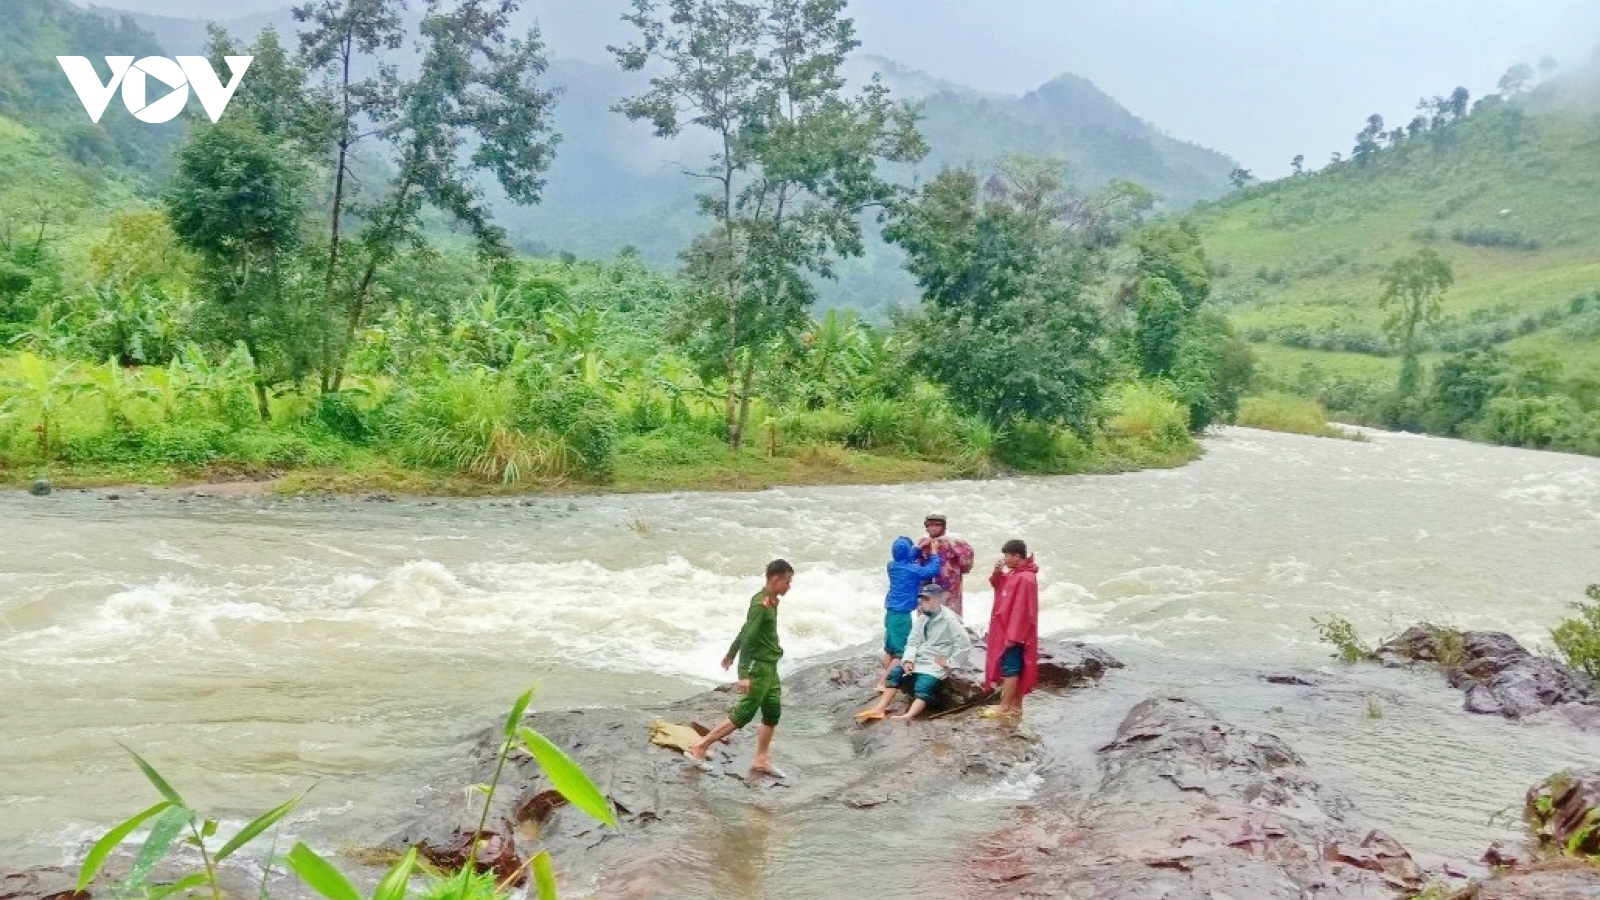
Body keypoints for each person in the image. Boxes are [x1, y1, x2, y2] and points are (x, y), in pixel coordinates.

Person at [686, 559, 794, 776]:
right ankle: (700, 746)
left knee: (773, 712)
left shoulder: (771, 602)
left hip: (770, 666)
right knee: (744, 713)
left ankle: (761, 759)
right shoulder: (760, 605)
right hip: (759, 666)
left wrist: (730, 652)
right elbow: (750, 636)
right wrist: (743, 673)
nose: (789, 586)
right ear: (775, 580)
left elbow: (746, 629)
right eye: (787, 582)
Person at [855, 583, 973, 722]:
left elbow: (964, 643)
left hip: (935, 661)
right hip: (920, 657)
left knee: (924, 685)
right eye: (921, 599)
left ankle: (908, 715)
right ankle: (879, 709)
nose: (922, 603)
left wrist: (950, 662)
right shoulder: (923, 618)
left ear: (937, 600)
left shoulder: (950, 620)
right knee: (896, 673)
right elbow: (912, 641)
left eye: (926, 599)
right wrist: (908, 659)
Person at [984, 539, 1039, 719]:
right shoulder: (1018, 574)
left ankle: (1005, 706)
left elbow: (1024, 610)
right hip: (1009, 630)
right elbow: (1000, 586)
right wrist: (997, 572)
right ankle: (1014, 706)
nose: (1004, 559)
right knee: (1013, 667)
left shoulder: (1025, 578)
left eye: (1006, 555)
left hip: (1015, 633)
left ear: (1016, 556)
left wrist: (1014, 635)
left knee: (1011, 668)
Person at [881, 536, 943, 687]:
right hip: (902, 615)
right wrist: (934, 552)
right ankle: (884, 683)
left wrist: (918, 547)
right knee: (902, 652)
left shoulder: (892, 565)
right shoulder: (914, 570)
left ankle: (886, 675)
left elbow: (906, 558)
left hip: (890, 612)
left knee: (890, 649)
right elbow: (932, 570)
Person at [917, 514, 974, 617]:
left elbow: (967, 562)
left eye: (937, 525)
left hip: (949, 587)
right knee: (926, 617)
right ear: (926, 527)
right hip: (927, 586)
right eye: (931, 525)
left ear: (943, 526)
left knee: (950, 617)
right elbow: (916, 563)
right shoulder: (923, 542)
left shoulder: (955, 542)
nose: (933, 528)